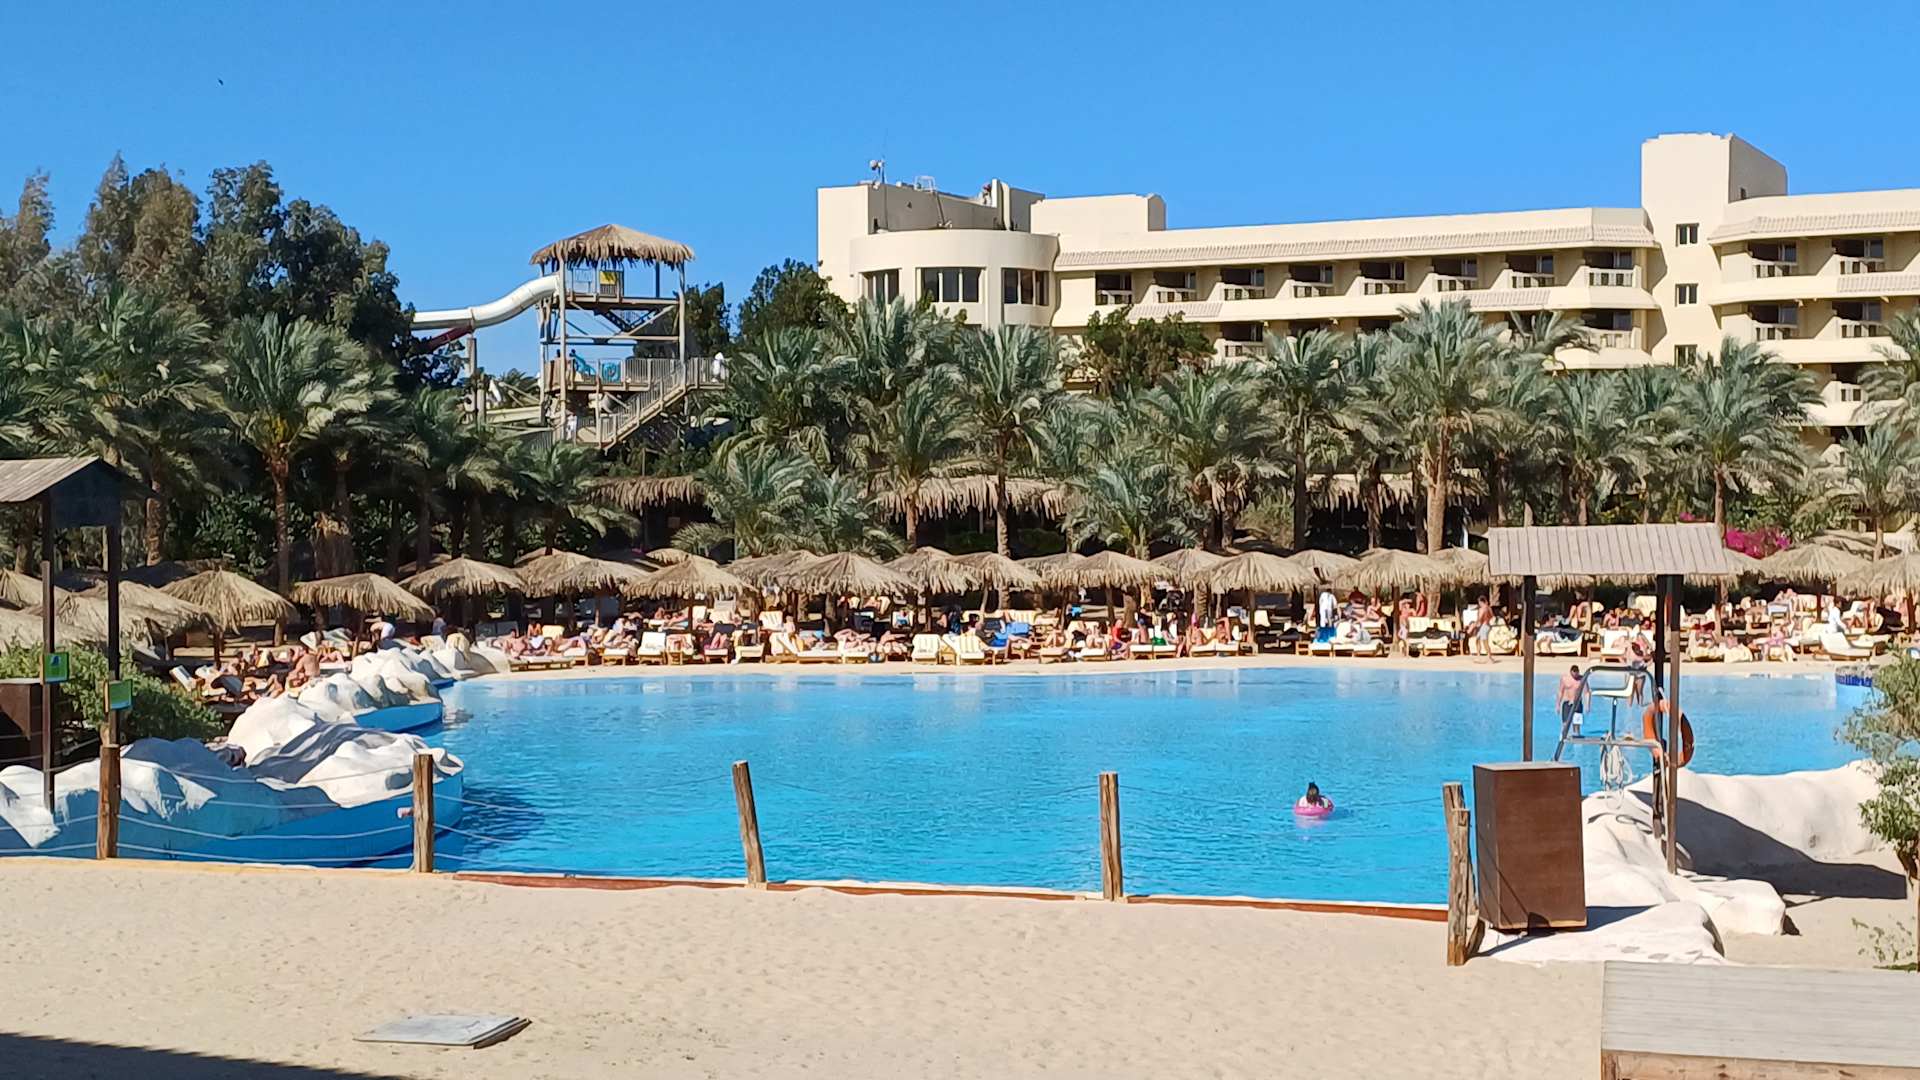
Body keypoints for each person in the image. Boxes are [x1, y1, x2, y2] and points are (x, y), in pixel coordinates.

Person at [1557, 664, 1588, 736]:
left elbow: (1587, 692)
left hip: (1577, 704)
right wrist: (1558, 705)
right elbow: (1560, 692)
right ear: (1571, 672)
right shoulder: (1565, 679)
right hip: (1567, 703)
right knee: (1565, 723)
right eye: (1574, 672)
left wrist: (1587, 705)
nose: (1575, 674)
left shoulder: (1582, 679)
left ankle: (1577, 736)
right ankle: (1564, 736)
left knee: (1577, 724)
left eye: (1576, 672)